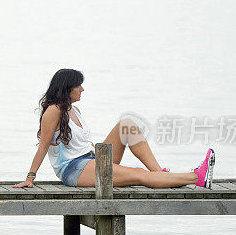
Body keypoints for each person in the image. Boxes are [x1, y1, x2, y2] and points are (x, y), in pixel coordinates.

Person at [13, 68, 214, 189]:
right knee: (137, 174)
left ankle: (159, 173)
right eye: (79, 86)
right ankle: (197, 178)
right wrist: (30, 177)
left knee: (126, 125)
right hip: (73, 169)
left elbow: (80, 142)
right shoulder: (53, 111)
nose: (82, 89)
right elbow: (43, 146)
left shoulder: (74, 110)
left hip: (89, 159)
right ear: (67, 88)